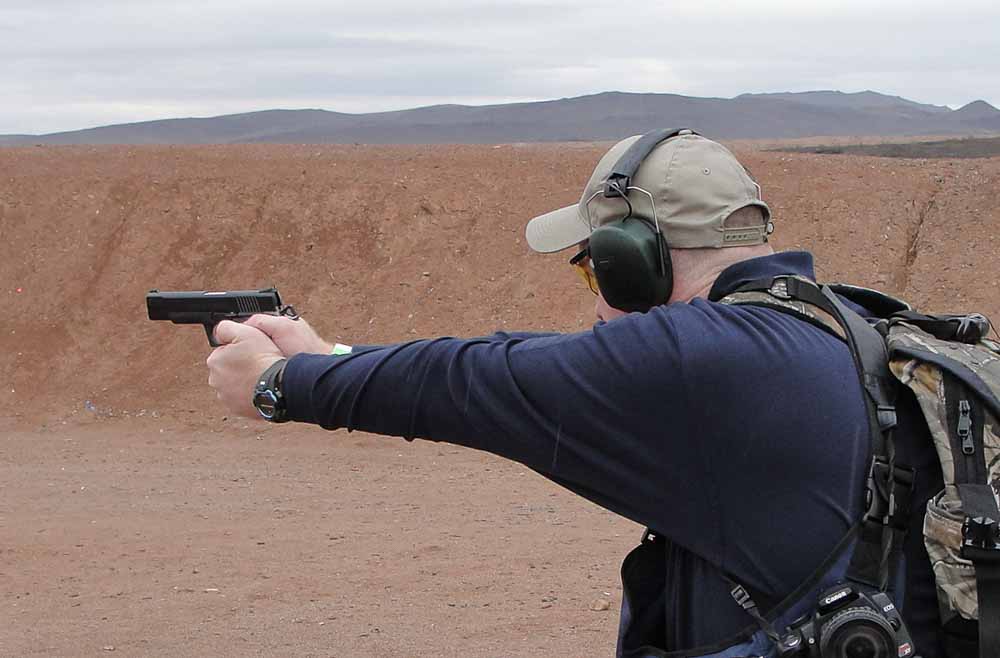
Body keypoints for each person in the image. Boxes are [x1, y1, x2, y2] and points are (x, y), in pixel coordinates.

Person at [206, 130, 944, 657]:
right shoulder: (840, 325)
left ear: (637, 257)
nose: (594, 299)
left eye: (594, 268)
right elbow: (527, 360)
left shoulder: (697, 362)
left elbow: (473, 381)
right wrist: (329, 356)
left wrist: (282, 385)